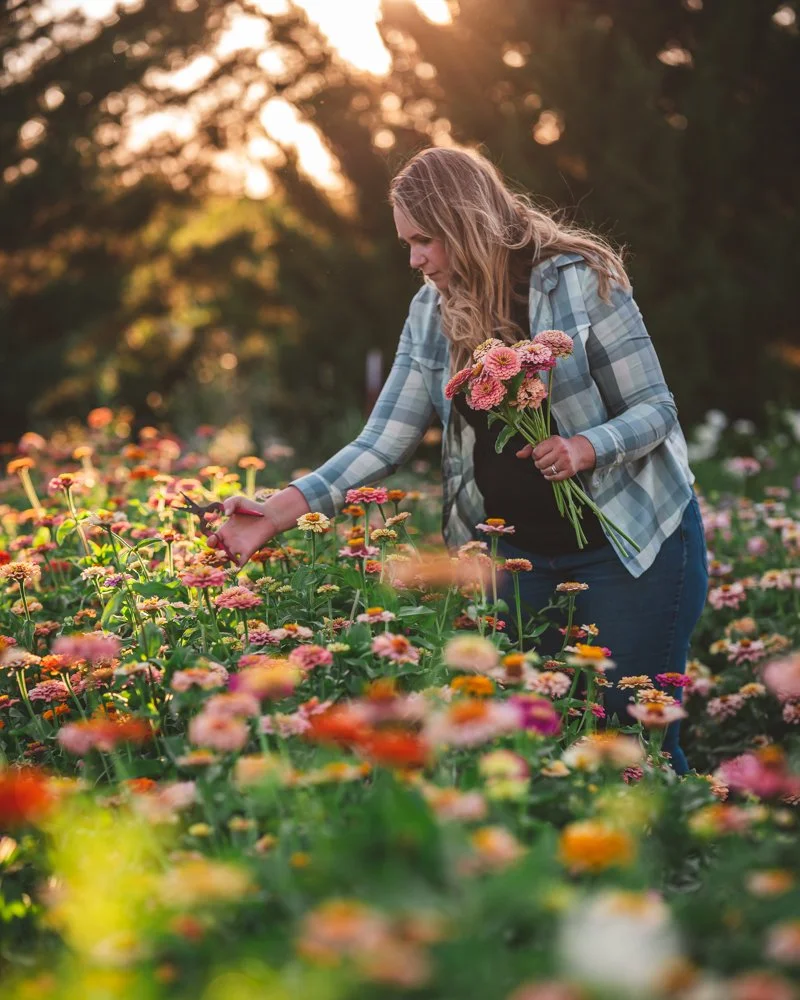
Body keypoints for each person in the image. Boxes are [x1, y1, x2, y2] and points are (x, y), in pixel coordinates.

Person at [207, 145, 708, 773]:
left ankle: (677, 864)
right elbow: (381, 441)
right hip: (517, 561)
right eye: (407, 244)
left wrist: (586, 447)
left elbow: (656, 409)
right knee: (543, 748)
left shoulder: (576, 279)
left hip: (632, 546)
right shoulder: (430, 311)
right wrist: (275, 512)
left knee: (640, 748)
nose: (414, 259)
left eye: (424, 240)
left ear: (465, 222)